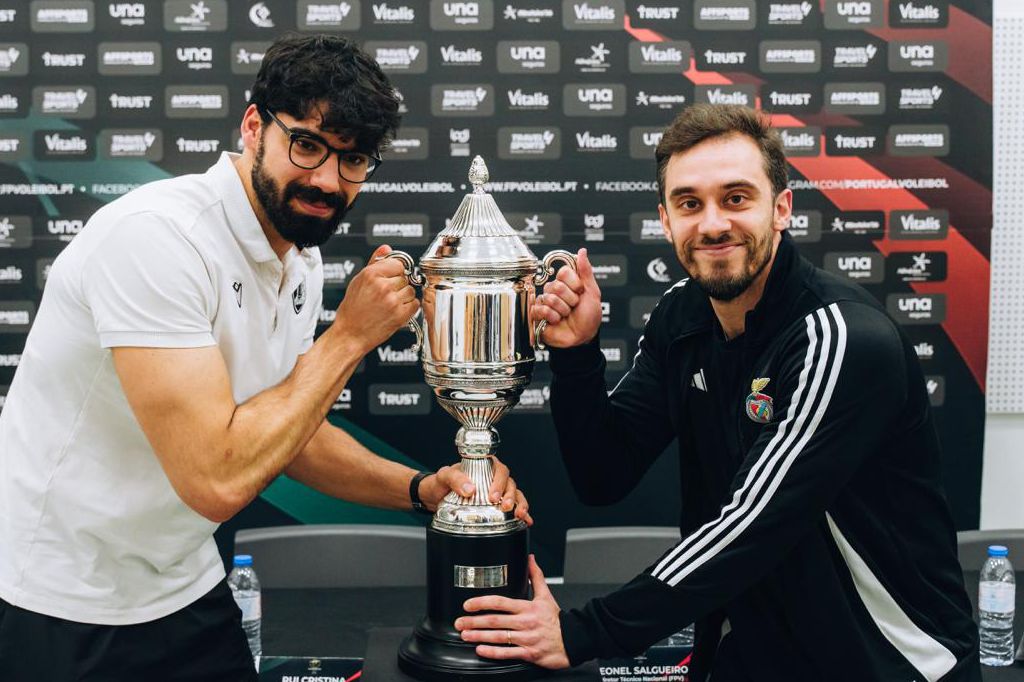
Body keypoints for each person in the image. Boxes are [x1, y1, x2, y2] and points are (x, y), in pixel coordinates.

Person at [0, 34, 529, 681]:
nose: (327, 181)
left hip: (185, 585)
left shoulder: (297, 255)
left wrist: (420, 489)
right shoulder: (157, 240)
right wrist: (349, 338)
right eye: (307, 145)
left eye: (354, 159)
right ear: (255, 127)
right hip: (65, 602)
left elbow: (286, 432)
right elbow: (215, 480)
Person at [455, 104, 980, 680]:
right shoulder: (684, 313)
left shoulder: (841, 338)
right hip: (753, 652)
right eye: (689, 204)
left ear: (781, 208)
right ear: (665, 219)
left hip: (882, 659)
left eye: (736, 198)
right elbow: (602, 475)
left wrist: (586, 632)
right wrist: (577, 355)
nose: (711, 224)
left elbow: (753, 524)